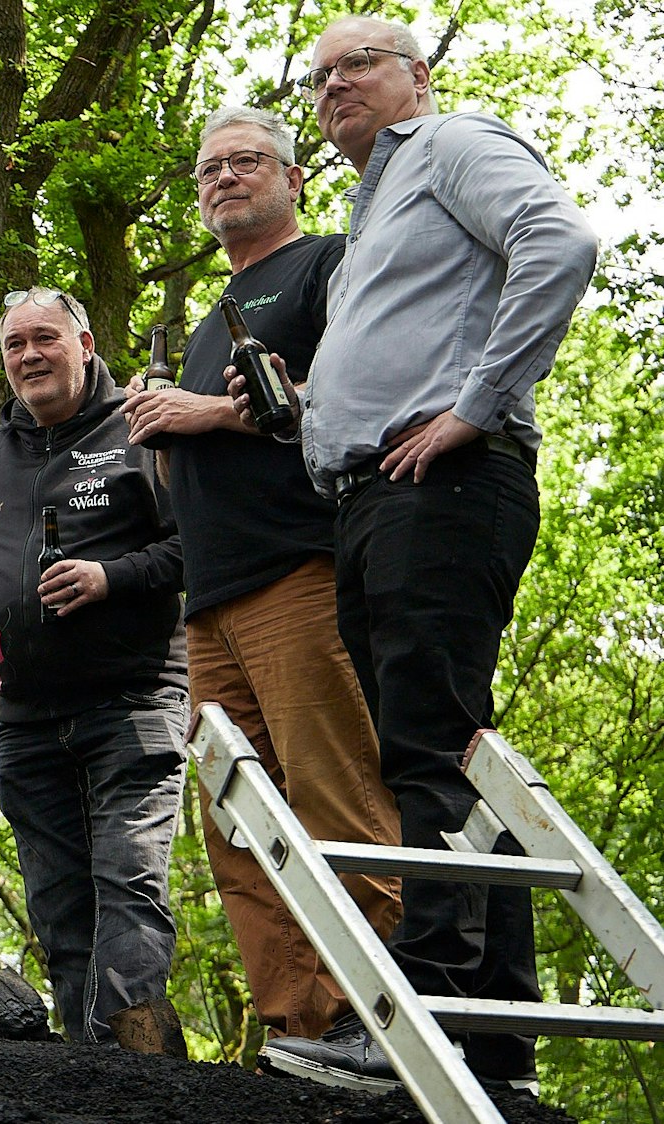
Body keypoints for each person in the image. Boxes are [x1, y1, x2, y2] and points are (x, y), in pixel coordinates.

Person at [243, 16, 596, 1094]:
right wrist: (304, 412)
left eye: (358, 63)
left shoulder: (450, 145)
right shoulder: (374, 205)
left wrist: (473, 409)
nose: (334, 85)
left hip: (439, 487)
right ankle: (495, 1045)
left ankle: (417, 1018)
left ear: (417, 76)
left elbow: (561, 242)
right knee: (444, 751)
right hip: (367, 502)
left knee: (426, 752)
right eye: (317, 77)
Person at [121, 107, 401, 1045]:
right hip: (207, 605)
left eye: (245, 162)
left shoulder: (328, 265)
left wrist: (206, 415)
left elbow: (364, 394)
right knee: (238, 826)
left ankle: (378, 1023)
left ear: (293, 178)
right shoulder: (209, 316)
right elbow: (181, 471)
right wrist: (158, 429)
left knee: (334, 799)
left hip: (302, 572)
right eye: (207, 170)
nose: (222, 180)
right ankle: (295, 1031)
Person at [0, 287, 187, 1047]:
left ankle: (136, 1066)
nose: (29, 356)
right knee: (58, 900)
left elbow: (194, 544)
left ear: (86, 344)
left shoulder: (138, 427)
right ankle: (85, 1063)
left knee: (128, 883)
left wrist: (111, 577)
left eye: (45, 339)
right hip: (25, 718)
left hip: (130, 703)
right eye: (13, 345)